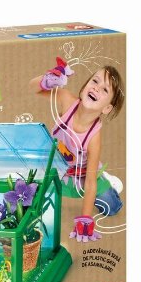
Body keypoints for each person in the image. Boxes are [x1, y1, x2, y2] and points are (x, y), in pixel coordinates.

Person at [30, 62, 125, 241]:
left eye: (105, 90)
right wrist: (47, 80)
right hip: (58, 168)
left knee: (111, 208)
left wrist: (85, 221)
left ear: (106, 108)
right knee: (32, 194)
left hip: (83, 175)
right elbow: (33, 88)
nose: (96, 88)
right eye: (95, 81)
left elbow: (89, 182)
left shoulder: (94, 138)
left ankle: (107, 182)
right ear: (85, 86)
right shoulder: (66, 100)